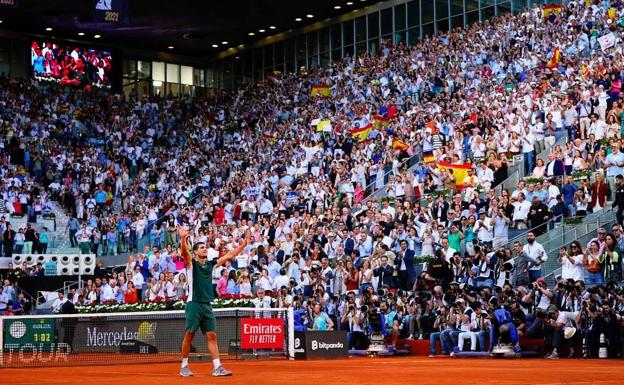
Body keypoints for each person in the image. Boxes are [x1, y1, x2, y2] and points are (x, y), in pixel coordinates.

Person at [178, 225, 250, 378]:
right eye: (201, 247)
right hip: (194, 304)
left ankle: (217, 367)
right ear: (195, 252)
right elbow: (185, 253)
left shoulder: (210, 265)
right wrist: (183, 238)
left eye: (205, 247)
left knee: (212, 335)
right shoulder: (191, 265)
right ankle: (184, 365)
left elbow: (229, 256)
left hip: (206, 305)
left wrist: (243, 245)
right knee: (189, 335)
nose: (205, 249)